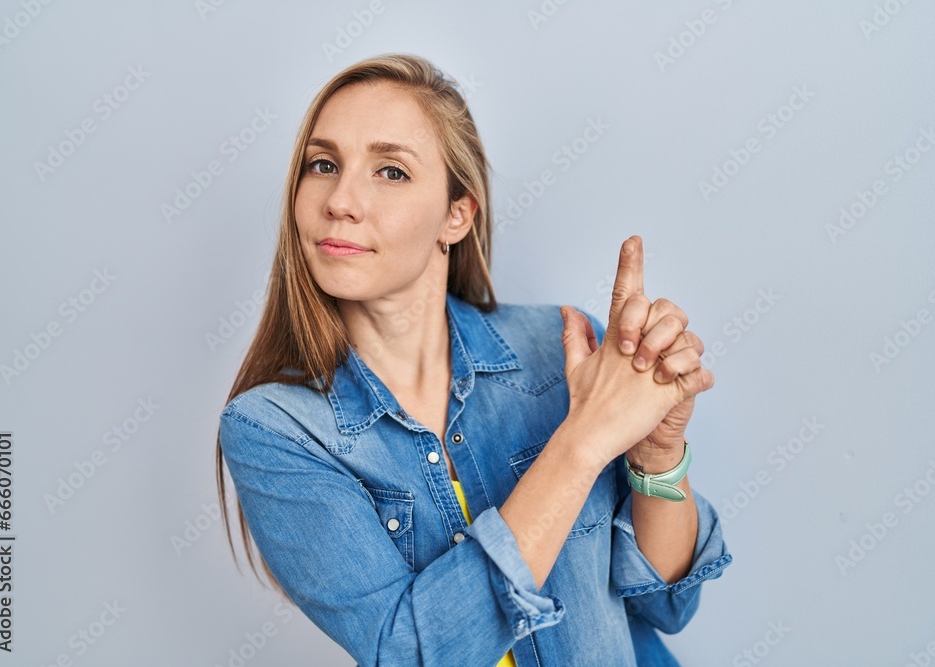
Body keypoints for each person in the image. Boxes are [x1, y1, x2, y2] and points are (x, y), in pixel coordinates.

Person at [216, 53, 732, 667]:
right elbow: (410, 653)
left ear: (456, 215)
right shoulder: (275, 429)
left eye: (390, 171)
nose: (340, 200)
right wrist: (585, 439)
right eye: (323, 165)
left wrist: (658, 455)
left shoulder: (563, 352)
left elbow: (667, 605)